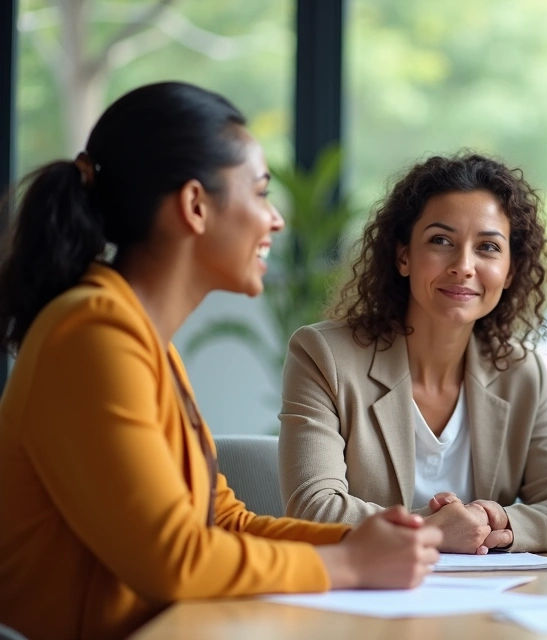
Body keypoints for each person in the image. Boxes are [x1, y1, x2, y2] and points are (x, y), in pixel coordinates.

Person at [0, 82, 442, 640]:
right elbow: (173, 560)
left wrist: (363, 540)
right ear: (194, 206)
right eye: (259, 192)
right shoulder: (92, 334)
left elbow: (222, 521)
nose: (275, 219)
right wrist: (351, 565)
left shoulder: (139, 338)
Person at [278, 153, 547, 554]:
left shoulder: (520, 371)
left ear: (510, 271)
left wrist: (498, 522)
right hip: (367, 601)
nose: (464, 266)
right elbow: (312, 509)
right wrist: (435, 529)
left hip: (486, 605)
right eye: (441, 241)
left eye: (488, 247)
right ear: (403, 256)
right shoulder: (325, 355)